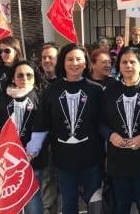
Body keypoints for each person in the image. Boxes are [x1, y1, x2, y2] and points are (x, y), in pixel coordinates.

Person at [26, 43, 104, 214]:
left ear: (86, 63)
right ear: (62, 62)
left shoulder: (97, 90)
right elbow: (42, 125)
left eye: (79, 59)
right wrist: (32, 149)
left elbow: (104, 123)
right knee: (68, 202)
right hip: (63, 159)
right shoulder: (51, 91)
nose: (74, 63)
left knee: (95, 202)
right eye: (70, 59)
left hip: (92, 158)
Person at [99, 47, 140, 213]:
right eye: (124, 62)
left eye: (132, 62)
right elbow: (99, 122)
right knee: (121, 205)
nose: (128, 66)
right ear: (118, 65)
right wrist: (110, 135)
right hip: (117, 159)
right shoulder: (109, 91)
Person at [0, 61, 48, 214]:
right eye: (20, 75)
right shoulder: (0, 99)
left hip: (33, 157)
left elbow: (45, 128)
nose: (25, 78)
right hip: (7, 159)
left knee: (32, 196)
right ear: (13, 78)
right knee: (10, 197)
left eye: (29, 75)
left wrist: (32, 151)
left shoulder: (41, 97)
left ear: (35, 77)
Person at [39, 42, 60, 214]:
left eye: (51, 57)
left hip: (66, 142)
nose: (47, 60)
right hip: (44, 143)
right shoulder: (35, 81)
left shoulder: (66, 81)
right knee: (47, 182)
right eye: (44, 57)